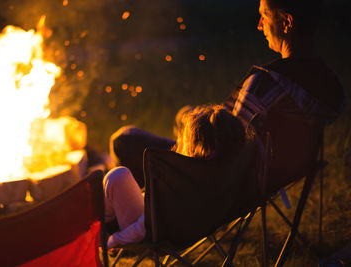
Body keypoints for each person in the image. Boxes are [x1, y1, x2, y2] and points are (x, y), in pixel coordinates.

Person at [110, 0, 346, 192]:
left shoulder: (266, 83)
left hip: (217, 184)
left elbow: (224, 154)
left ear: (287, 22)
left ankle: (134, 211)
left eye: (264, 15)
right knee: (185, 115)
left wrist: (196, 132)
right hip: (270, 174)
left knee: (124, 139)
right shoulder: (326, 85)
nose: (259, 25)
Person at [104, 105, 246, 248]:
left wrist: (114, 240)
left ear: (199, 147)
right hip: (179, 227)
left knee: (118, 175)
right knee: (184, 113)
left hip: (147, 232)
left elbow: (144, 226)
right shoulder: (225, 172)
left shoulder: (185, 178)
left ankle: (99, 228)